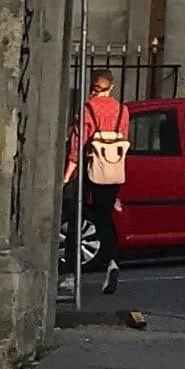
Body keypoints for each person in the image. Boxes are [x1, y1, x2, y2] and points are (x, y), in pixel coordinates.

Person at [63, 68, 130, 296]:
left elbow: (76, 145)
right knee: (103, 218)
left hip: (86, 168)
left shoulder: (87, 110)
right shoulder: (122, 110)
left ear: (92, 87)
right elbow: (123, 139)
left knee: (75, 217)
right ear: (111, 87)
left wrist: (67, 175)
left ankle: (71, 275)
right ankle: (111, 262)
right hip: (111, 170)